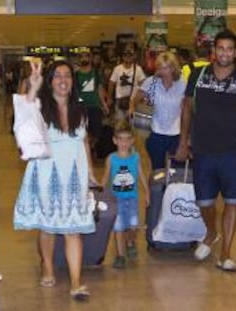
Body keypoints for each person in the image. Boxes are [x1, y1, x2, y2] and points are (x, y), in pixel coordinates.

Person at [176, 29, 236, 272]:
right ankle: (211, 233)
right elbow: (187, 109)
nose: (225, 53)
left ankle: (226, 255)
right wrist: (182, 141)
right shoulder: (198, 76)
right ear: (214, 51)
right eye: (221, 48)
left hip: (233, 152)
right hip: (203, 150)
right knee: (205, 202)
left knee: (232, 202)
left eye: (230, 49)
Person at [13, 60, 97, 300]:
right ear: (50, 81)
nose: (63, 80)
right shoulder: (39, 106)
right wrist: (33, 85)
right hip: (45, 173)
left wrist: (90, 174)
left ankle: (76, 282)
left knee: (74, 230)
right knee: (48, 227)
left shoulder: (80, 109)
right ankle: (47, 266)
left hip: (74, 173)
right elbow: (24, 112)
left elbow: (83, 142)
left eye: (68, 76)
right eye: (58, 76)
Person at [100, 121, 149, 269]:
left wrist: (147, 191)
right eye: (121, 139)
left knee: (133, 226)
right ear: (115, 141)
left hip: (132, 198)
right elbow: (105, 177)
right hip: (117, 199)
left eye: (128, 139)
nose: (124, 142)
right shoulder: (111, 158)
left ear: (132, 141)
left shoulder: (135, 158)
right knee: (119, 227)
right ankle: (120, 256)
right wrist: (100, 190)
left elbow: (141, 174)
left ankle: (130, 242)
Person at [129, 51, 187, 170]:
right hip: (155, 132)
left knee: (175, 170)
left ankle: (172, 189)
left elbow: (186, 108)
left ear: (173, 68)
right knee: (157, 169)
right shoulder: (151, 81)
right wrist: (134, 110)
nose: (162, 71)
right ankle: (158, 189)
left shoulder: (182, 83)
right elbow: (135, 99)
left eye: (165, 67)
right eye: (159, 67)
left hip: (176, 133)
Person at [75, 48, 109, 156]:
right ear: (79, 59)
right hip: (81, 107)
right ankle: (86, 151)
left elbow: (99, 89)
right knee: (82, 131)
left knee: (96, 131)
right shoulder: (76, 75)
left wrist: (104, 104)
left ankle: (92, 147)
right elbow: (75, 92)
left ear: (90, 58)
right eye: (82, 57)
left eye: (86, 56)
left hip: (95, 105)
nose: (84, 58)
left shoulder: (96, 73)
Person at [107, 48, 146, 121]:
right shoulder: (117, 68)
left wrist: (141, 98)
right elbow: (111, 83)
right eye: (125, 55)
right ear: (123, 57)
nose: (128, 57)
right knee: (120, 124)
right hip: (120, 99)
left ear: (133, 57)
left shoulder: (138, 69)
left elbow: (143, 84)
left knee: (132, 123)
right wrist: (109, 97)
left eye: (130, 56)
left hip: (133, 100)